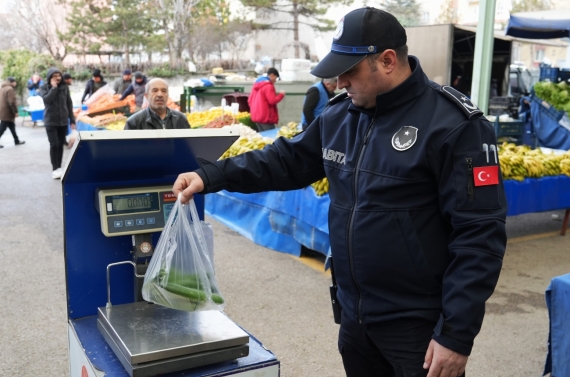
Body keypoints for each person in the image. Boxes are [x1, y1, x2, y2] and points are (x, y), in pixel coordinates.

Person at [172, 7, 507, 377]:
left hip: (418, 330)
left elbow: (479, 237)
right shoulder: (339, 116)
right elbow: (286, 160)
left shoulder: (454, 126)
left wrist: (456, 336)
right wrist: (212, 175)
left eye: (350, 71)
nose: (340, 82)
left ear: (388, 60)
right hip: (355, 321)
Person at [40, 68, 76, 179]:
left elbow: (69, 104)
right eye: (55, 76)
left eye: (59, 75)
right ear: (50, 77)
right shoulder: (44, 87)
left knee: (60, 145)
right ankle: (54, 169)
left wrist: (72, 120)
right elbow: (47, 100)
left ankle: (59, 167)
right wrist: (53, 88)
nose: (57, 78)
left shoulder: (64, 87)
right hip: (51, 121)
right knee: (54, 144)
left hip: (63, 121)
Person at [124, 78, 190, 130]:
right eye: (154, 90)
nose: (160, 94)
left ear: (167, 95)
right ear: (146, 96)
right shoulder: (134, 122)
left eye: (164, 91)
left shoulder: (181, 119)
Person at [247, 67, 285, 131]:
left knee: (262, 138)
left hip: (256, 117)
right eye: (276, 78)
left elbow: (249, 100)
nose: (275, 80)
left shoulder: (256, 85)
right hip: (266, 118)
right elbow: (272, 101)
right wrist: (281, 95)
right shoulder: (268, 86)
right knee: (270, 137)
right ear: (272, 75)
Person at [0, 77, 25, 148]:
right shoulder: (10, 89)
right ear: (12, 82)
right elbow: (12, 102)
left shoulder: (2, 88)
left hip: (3, 111)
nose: (16, 83)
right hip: (7, 112)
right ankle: (16, 140)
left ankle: (16, 140)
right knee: (2, 128)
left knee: (12, 126)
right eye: (15, 82)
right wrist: (15, 111)